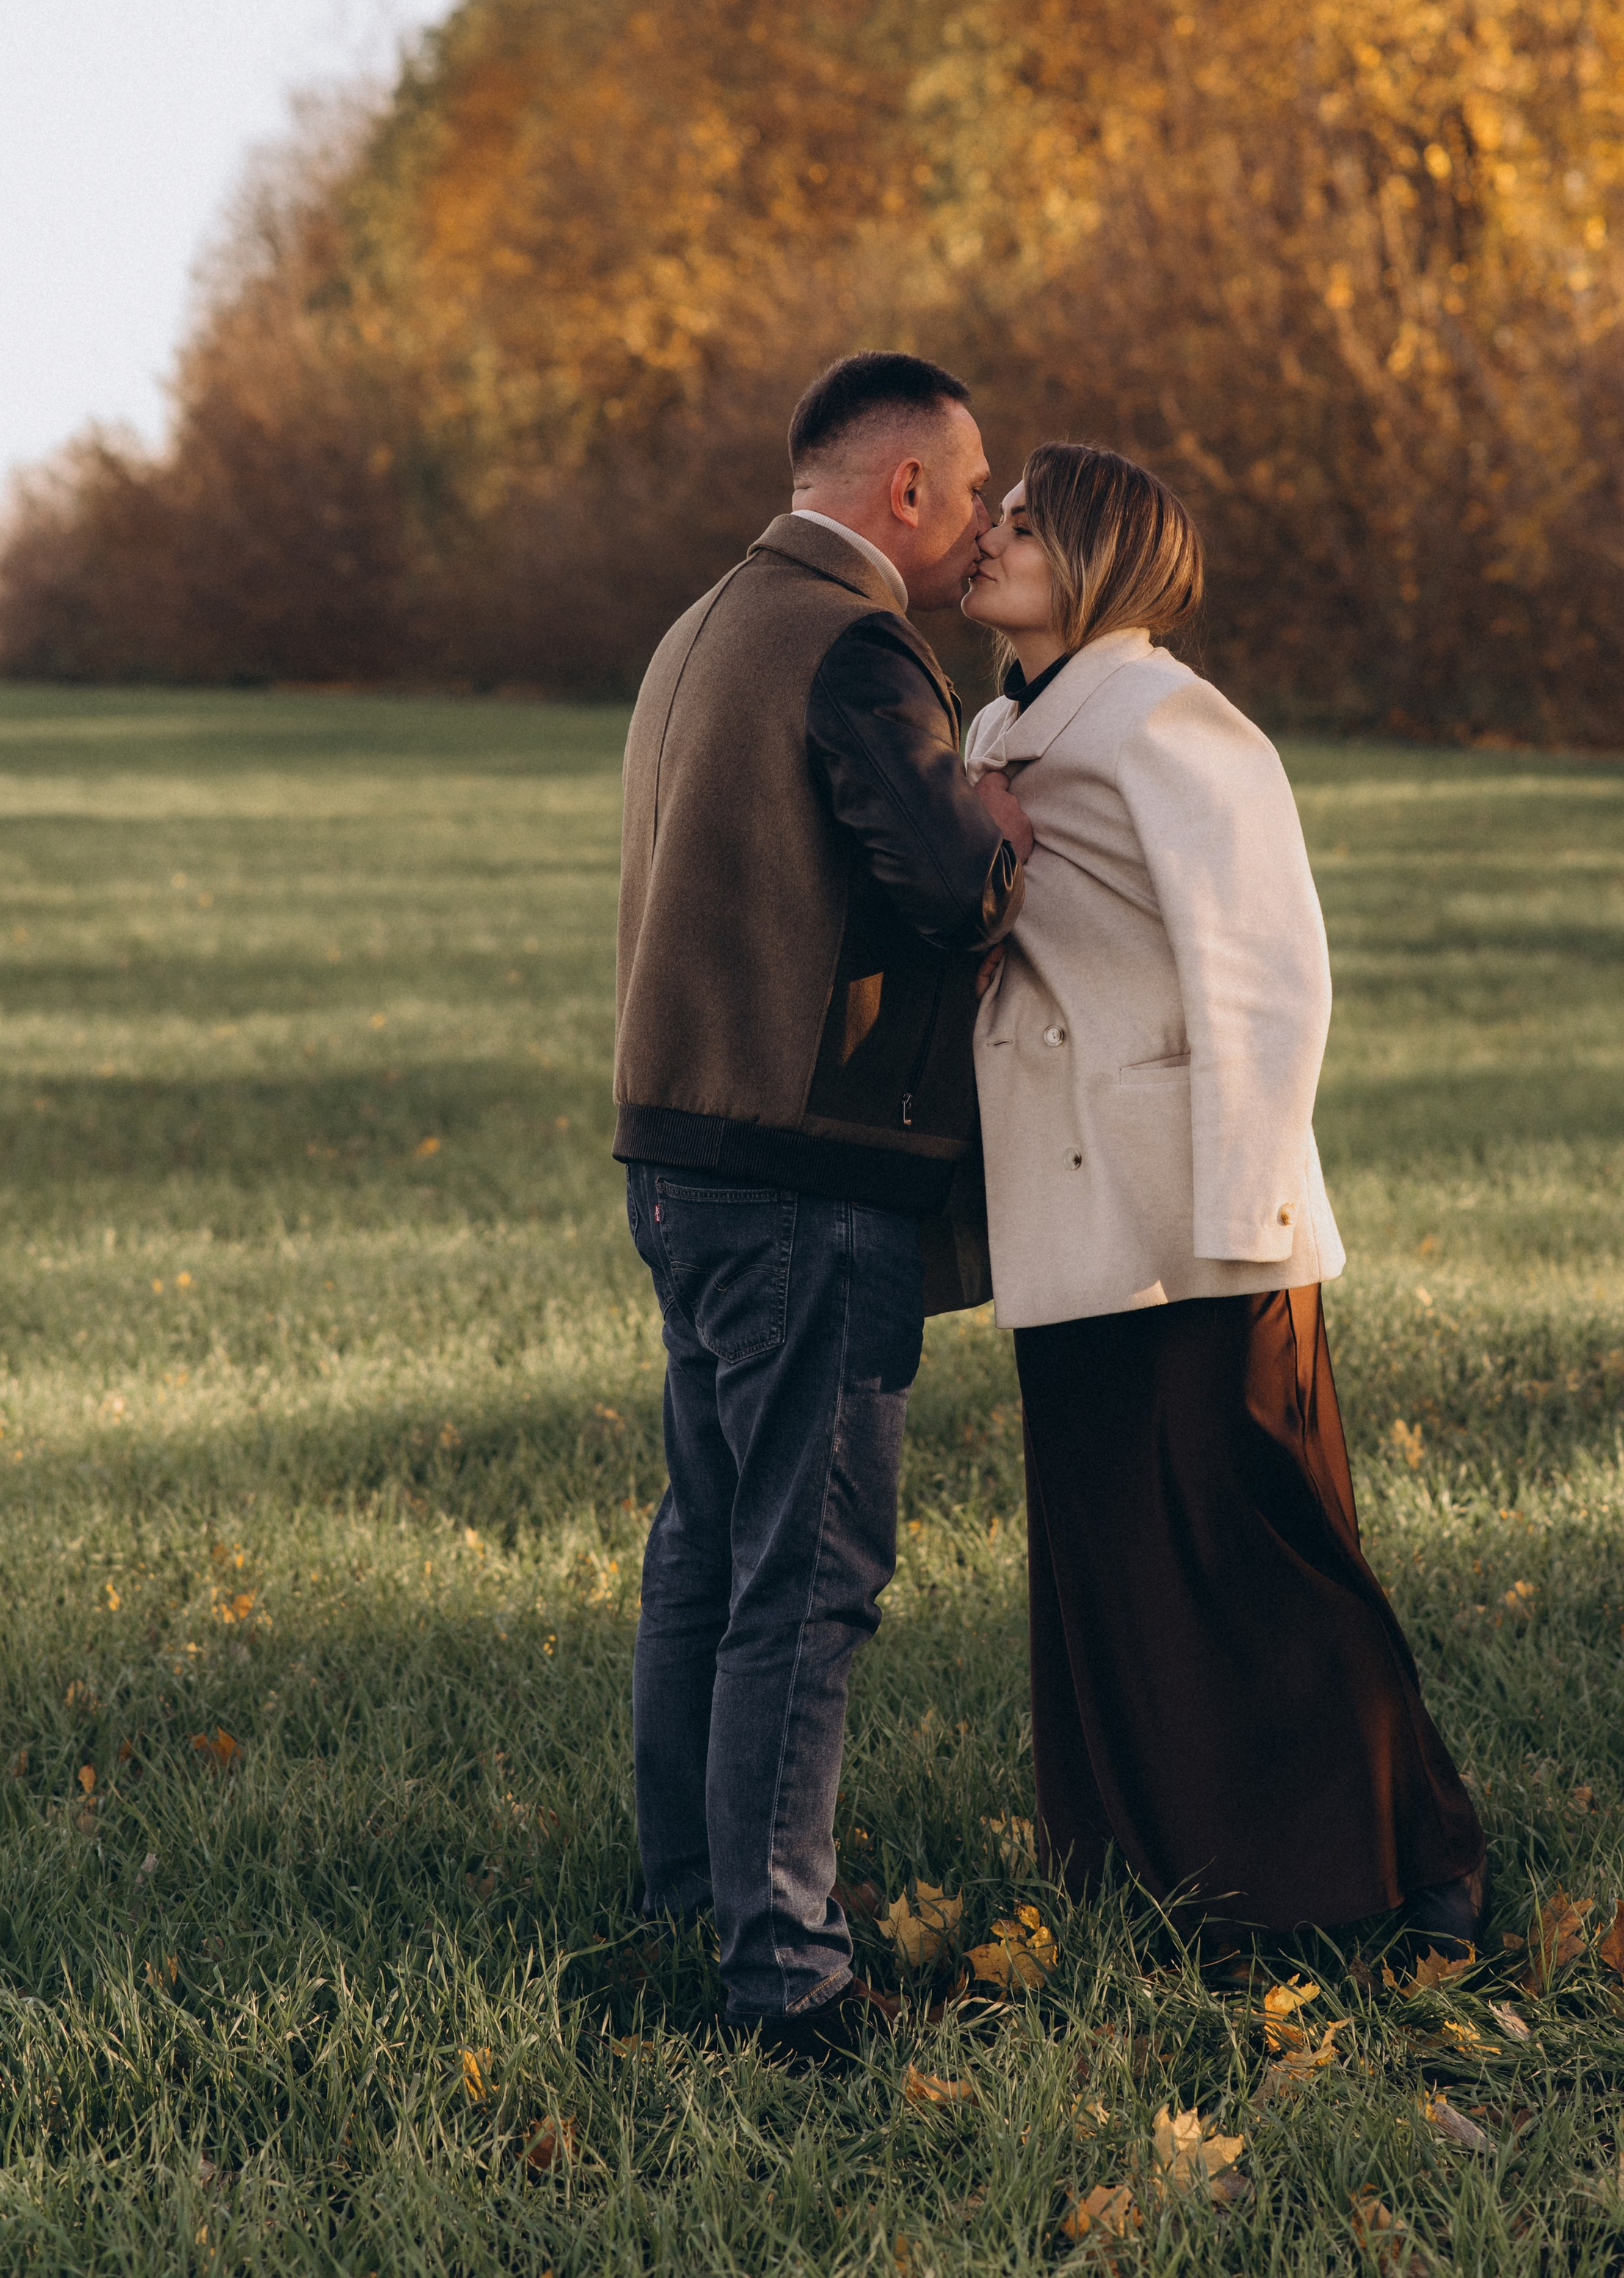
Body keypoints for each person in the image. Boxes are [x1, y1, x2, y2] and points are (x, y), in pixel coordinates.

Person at [960, 441, 1486, 1947]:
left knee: (1260, 1548)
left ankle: (1407, 1866)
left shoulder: (1172, 722)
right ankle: (1175, 1877)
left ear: (1105, 562)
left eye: (1025, 527)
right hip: (1066, 1210)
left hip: (1194, 1218)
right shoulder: (1002, 718)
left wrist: (1247, 1220)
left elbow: (1268, 974)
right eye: (990, 519)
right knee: (1114, 1553)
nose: (990, 541)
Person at [613, 350, 1034, 2063]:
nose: (988, 514)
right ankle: (783, 1979)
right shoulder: (856, 644)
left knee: (707, 1548)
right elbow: (942, 885)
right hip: (800, 1168)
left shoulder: (699, 624)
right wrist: (994, 822)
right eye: (973, 482)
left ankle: (681, 1899)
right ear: (904, 490)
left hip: (679, 1153)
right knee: (805, 1572)